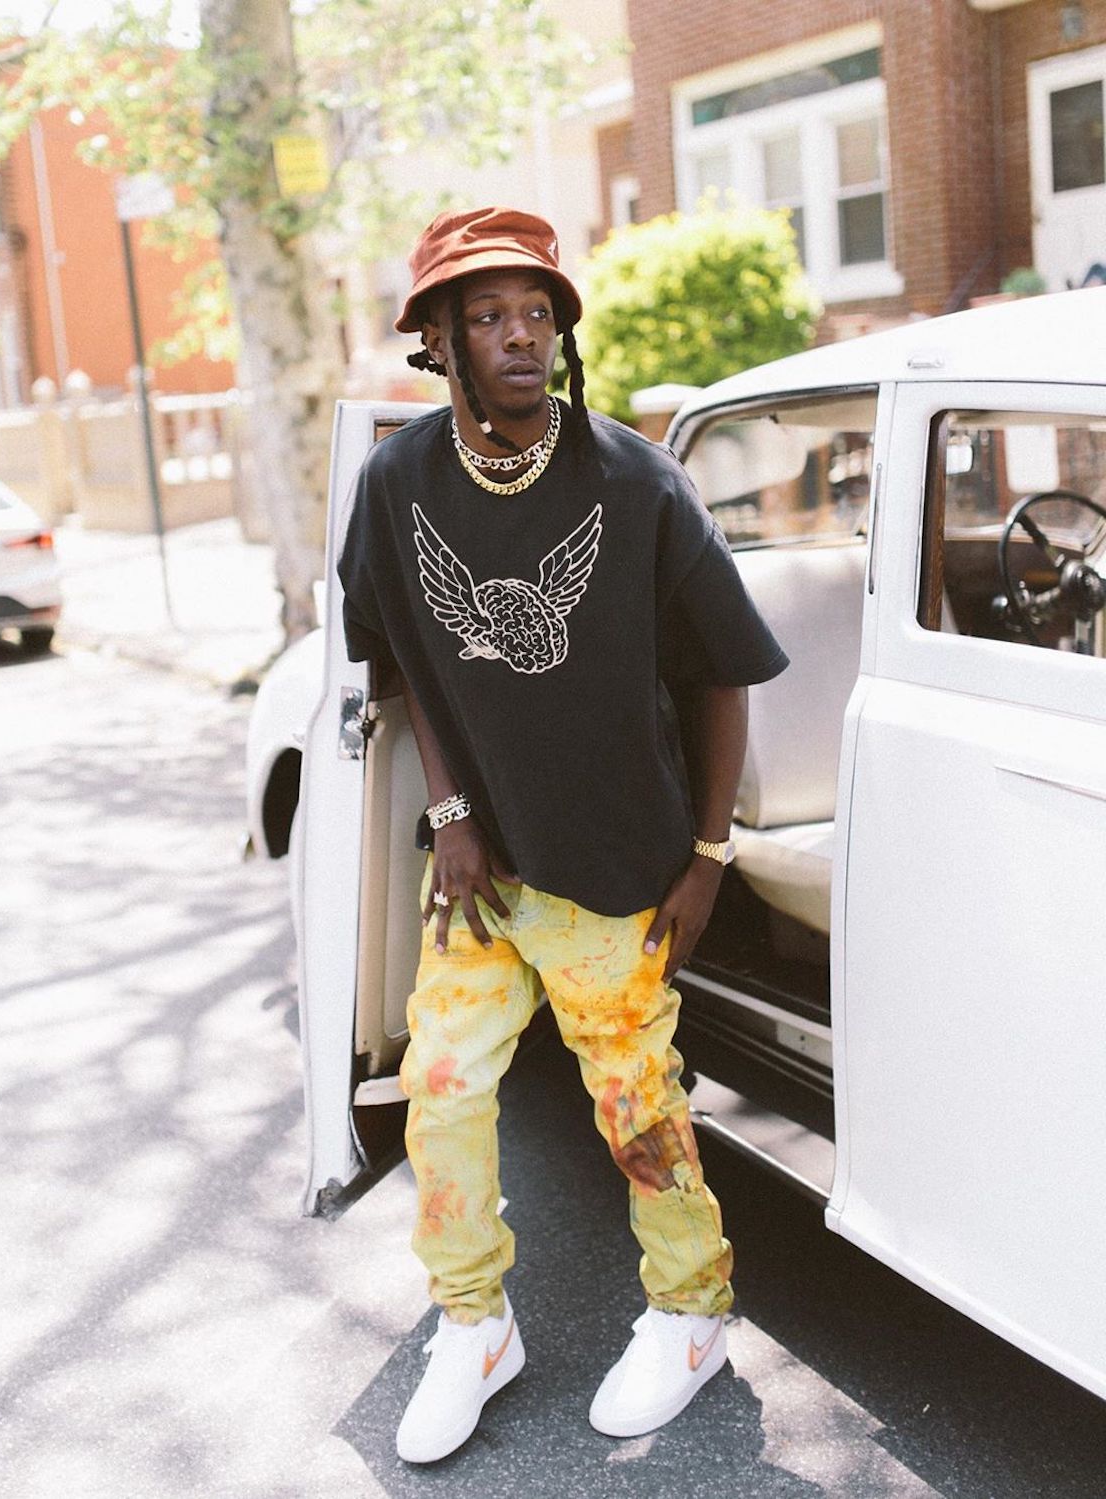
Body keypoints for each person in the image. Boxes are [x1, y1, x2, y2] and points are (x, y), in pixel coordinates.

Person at [337, 206, 788, 1464]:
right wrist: (452, 813)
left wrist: (706, 857)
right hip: (484, 872)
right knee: (439, 1092)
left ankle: (692, 1312)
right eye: (487, 315)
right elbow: (404, 660)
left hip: (615, 865)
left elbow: (724, 672)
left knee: (636, 1104)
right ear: (441, 339)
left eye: (536, 311)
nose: (519, 335)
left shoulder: (633, 480)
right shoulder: (397, 480)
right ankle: (475, 1323)